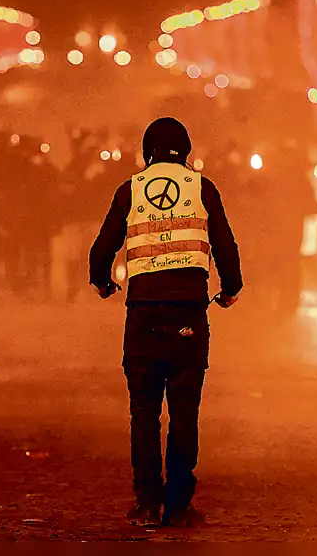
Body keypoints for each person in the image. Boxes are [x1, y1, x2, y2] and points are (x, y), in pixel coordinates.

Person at [89, 117, 242, 528]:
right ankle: (178, 504)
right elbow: (225, 245)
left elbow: (103, 247)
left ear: (146, 151)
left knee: (143, 411)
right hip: (189, 314)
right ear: (187, 150)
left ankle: (146, 503)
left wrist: (103, 283)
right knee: (184, 412)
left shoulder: (131, 190)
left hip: (143, 315)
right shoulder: (202, 189)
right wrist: (230, 289)